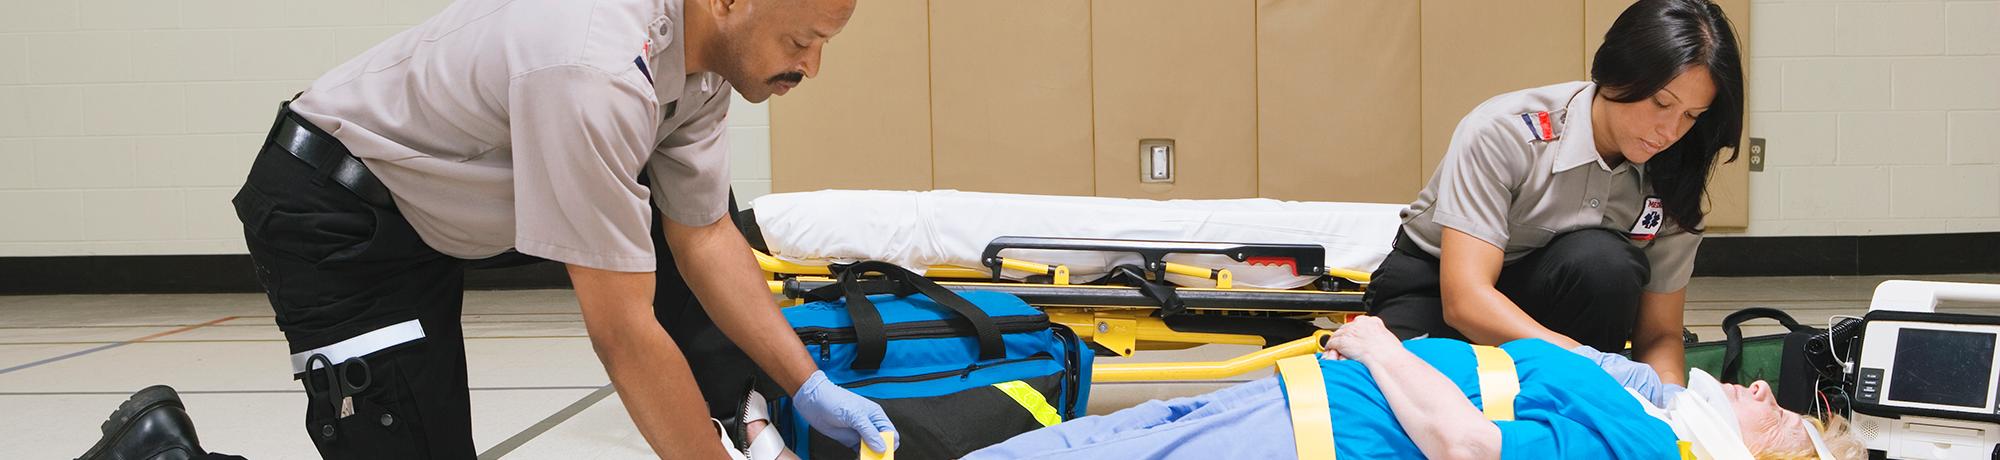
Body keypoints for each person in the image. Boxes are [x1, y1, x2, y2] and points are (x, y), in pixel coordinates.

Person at [80, 0, 893, 459]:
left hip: (438, 210)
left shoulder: (704, 69)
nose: (809, 69)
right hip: (338, 210)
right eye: (802, 41)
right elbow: (622, 331)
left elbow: (704, 237)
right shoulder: (597, 67)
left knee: (669, 211)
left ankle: (746, 413)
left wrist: (807, 385)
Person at [1367, 0, 1746, 387]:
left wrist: (1670, 408)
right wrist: (1592, 367)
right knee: (1402, 403)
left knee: (1604, 264)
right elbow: (1465, 300)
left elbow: (1660, 334)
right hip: (1438, 291)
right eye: (1661, 103)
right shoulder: (1504, 132)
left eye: (1691, 115)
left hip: (1551, 303)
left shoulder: (1674, 177)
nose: (1670, 131)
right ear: (1616, 73)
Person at [963, 316, 1864, 459]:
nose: (1769, 394)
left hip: (1320, 434)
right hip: (1307, 398)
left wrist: (1385, 345)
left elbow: (1468, 445)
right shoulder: (1650, 408)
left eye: (1787, 422)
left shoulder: (1647, 446)